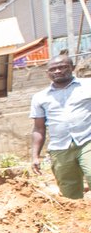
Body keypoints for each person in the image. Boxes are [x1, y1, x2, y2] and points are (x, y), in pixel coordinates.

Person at [31, 51, 91, 199]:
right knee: (69, 194)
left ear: (72, 67)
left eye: (62, 67)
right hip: (60, 149)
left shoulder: (88, 86)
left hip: (87, 141)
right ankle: (78, 221)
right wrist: (35, 156)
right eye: (53, 69)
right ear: (47, 73)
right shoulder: (40, 97)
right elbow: (39, 128)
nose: (57, 71)